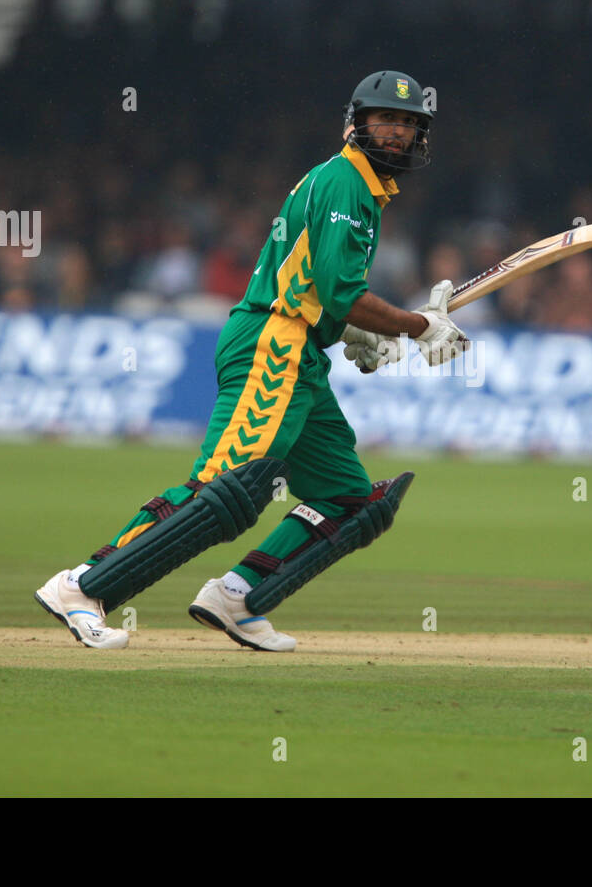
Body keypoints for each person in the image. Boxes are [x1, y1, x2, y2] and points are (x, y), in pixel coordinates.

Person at [35, 71, 469, 649]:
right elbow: (339, 292)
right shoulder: (346, 182)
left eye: (410, 124)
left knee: (349, 501)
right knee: (227, 488)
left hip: (301, 351)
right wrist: (418, 327)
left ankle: (237, 596)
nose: (397, 133)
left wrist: (352, 334)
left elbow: (320, 290)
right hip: (273, 343)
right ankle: (83, 585)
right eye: (386, 120)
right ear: (356, 123)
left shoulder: (354, 188)